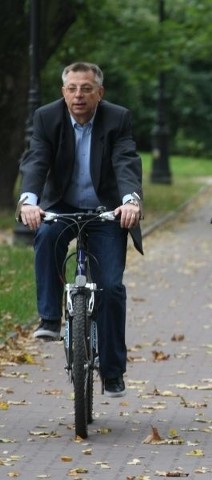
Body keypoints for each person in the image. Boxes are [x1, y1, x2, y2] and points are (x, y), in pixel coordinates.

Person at [17, 62, 143, 398]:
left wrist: (131, 200)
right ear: (63, 92)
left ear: (99, 93)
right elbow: (36, 159)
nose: (78, 95)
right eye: (72, 88)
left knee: (112, 288)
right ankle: (49, 319)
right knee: (45, 236)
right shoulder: (47, 117)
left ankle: (113, 371)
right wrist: (29, 201)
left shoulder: (117, 118)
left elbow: (125, 160)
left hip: (106, 210)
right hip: (61, 204)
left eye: (86, 88)